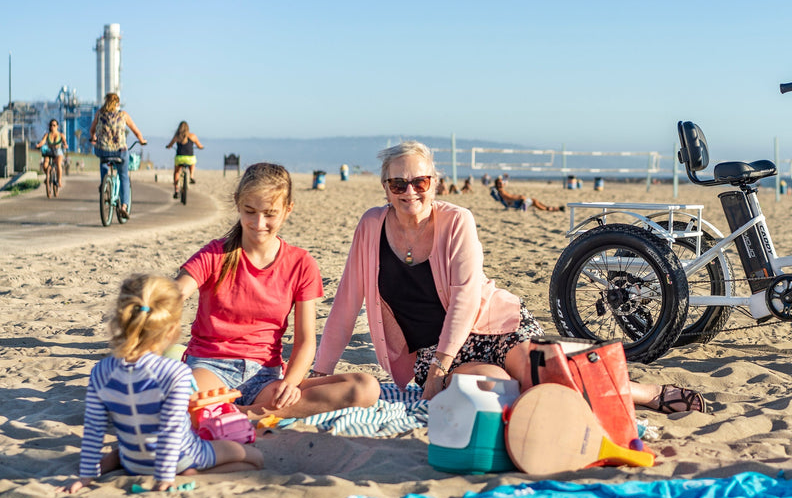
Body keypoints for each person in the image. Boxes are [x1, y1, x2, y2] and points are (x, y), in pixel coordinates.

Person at [313, 140, 706, 413]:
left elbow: (466, 298)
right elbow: (346, 303)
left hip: (491, 326)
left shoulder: (456, 221)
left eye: (419, 182)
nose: (409, 191)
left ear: (435, 183)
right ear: (386, 187)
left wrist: (440, 369)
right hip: (429, 351)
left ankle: (648, 394)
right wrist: (318, 373)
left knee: (547, 371)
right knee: (492, 391)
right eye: (398, 183)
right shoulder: (371, 226)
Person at [177, 163, 380, 418]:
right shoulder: (216, 253)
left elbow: (306, 341)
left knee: (366, 388)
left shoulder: (301, 263)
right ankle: (249, 415)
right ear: (237, 204)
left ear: (287, 210)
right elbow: (177, 291)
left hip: (265, 377)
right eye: (250, 211)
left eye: (270, 214)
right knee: (184, 398)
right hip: (210, 368)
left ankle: (240, 415)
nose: (259, 223)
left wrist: (291, 383)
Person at [59, 274, 264, 494]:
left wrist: (85, 476)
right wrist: (165, 478)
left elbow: (93, 428)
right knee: (254, 458)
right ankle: (196, 474)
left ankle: (102, 468)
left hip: (132, 461)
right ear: (171, 330)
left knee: (121, 449)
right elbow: (172, 429)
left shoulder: (100, 371)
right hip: (178, 460)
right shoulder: (175, 372)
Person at [89, 93, 148, 220]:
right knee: (124, 176)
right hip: (119, 151)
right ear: (117, 104)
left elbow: (92, 130)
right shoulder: (123, 115)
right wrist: (142, 140)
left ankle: (104, 184)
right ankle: (124, 207)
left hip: (102, 150)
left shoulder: (99, 113)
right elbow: (136, 131)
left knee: (103, 161)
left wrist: (93, 138)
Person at [165, 120, 205, 199]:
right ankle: (191, 176)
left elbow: (170, 145)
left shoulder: (177, 137)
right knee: (193, 162)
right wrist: (201, 147)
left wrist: (168, 146)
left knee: (176, 172)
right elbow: (199, 145)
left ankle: (176, 189)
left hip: (179, 158)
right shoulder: (192, 136)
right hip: (189, 159)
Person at [493, 176, 564, 212]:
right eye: (500, 183)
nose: (501, 184)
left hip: (517, 203)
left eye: (501, 182)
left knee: (534, 201)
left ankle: (549, 208)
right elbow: (509, 197)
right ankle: (549, 209)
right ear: (497, 184)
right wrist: (520, 197)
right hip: (517, 205)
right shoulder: (501, 191)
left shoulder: (501, 190)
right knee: (534, 201)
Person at [35, 119, 69, 189]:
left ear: (57, 126)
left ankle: (59, 180)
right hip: (49, 151)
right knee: (45, 165)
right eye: (51, 125)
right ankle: (48, 176)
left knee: (58, 164)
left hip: (58, 151)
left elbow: (64, 142)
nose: (52, 127)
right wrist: (39, 145)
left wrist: (65, 145)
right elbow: (43, 141)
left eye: (54, 125)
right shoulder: (47, 135)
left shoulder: (61, 135)